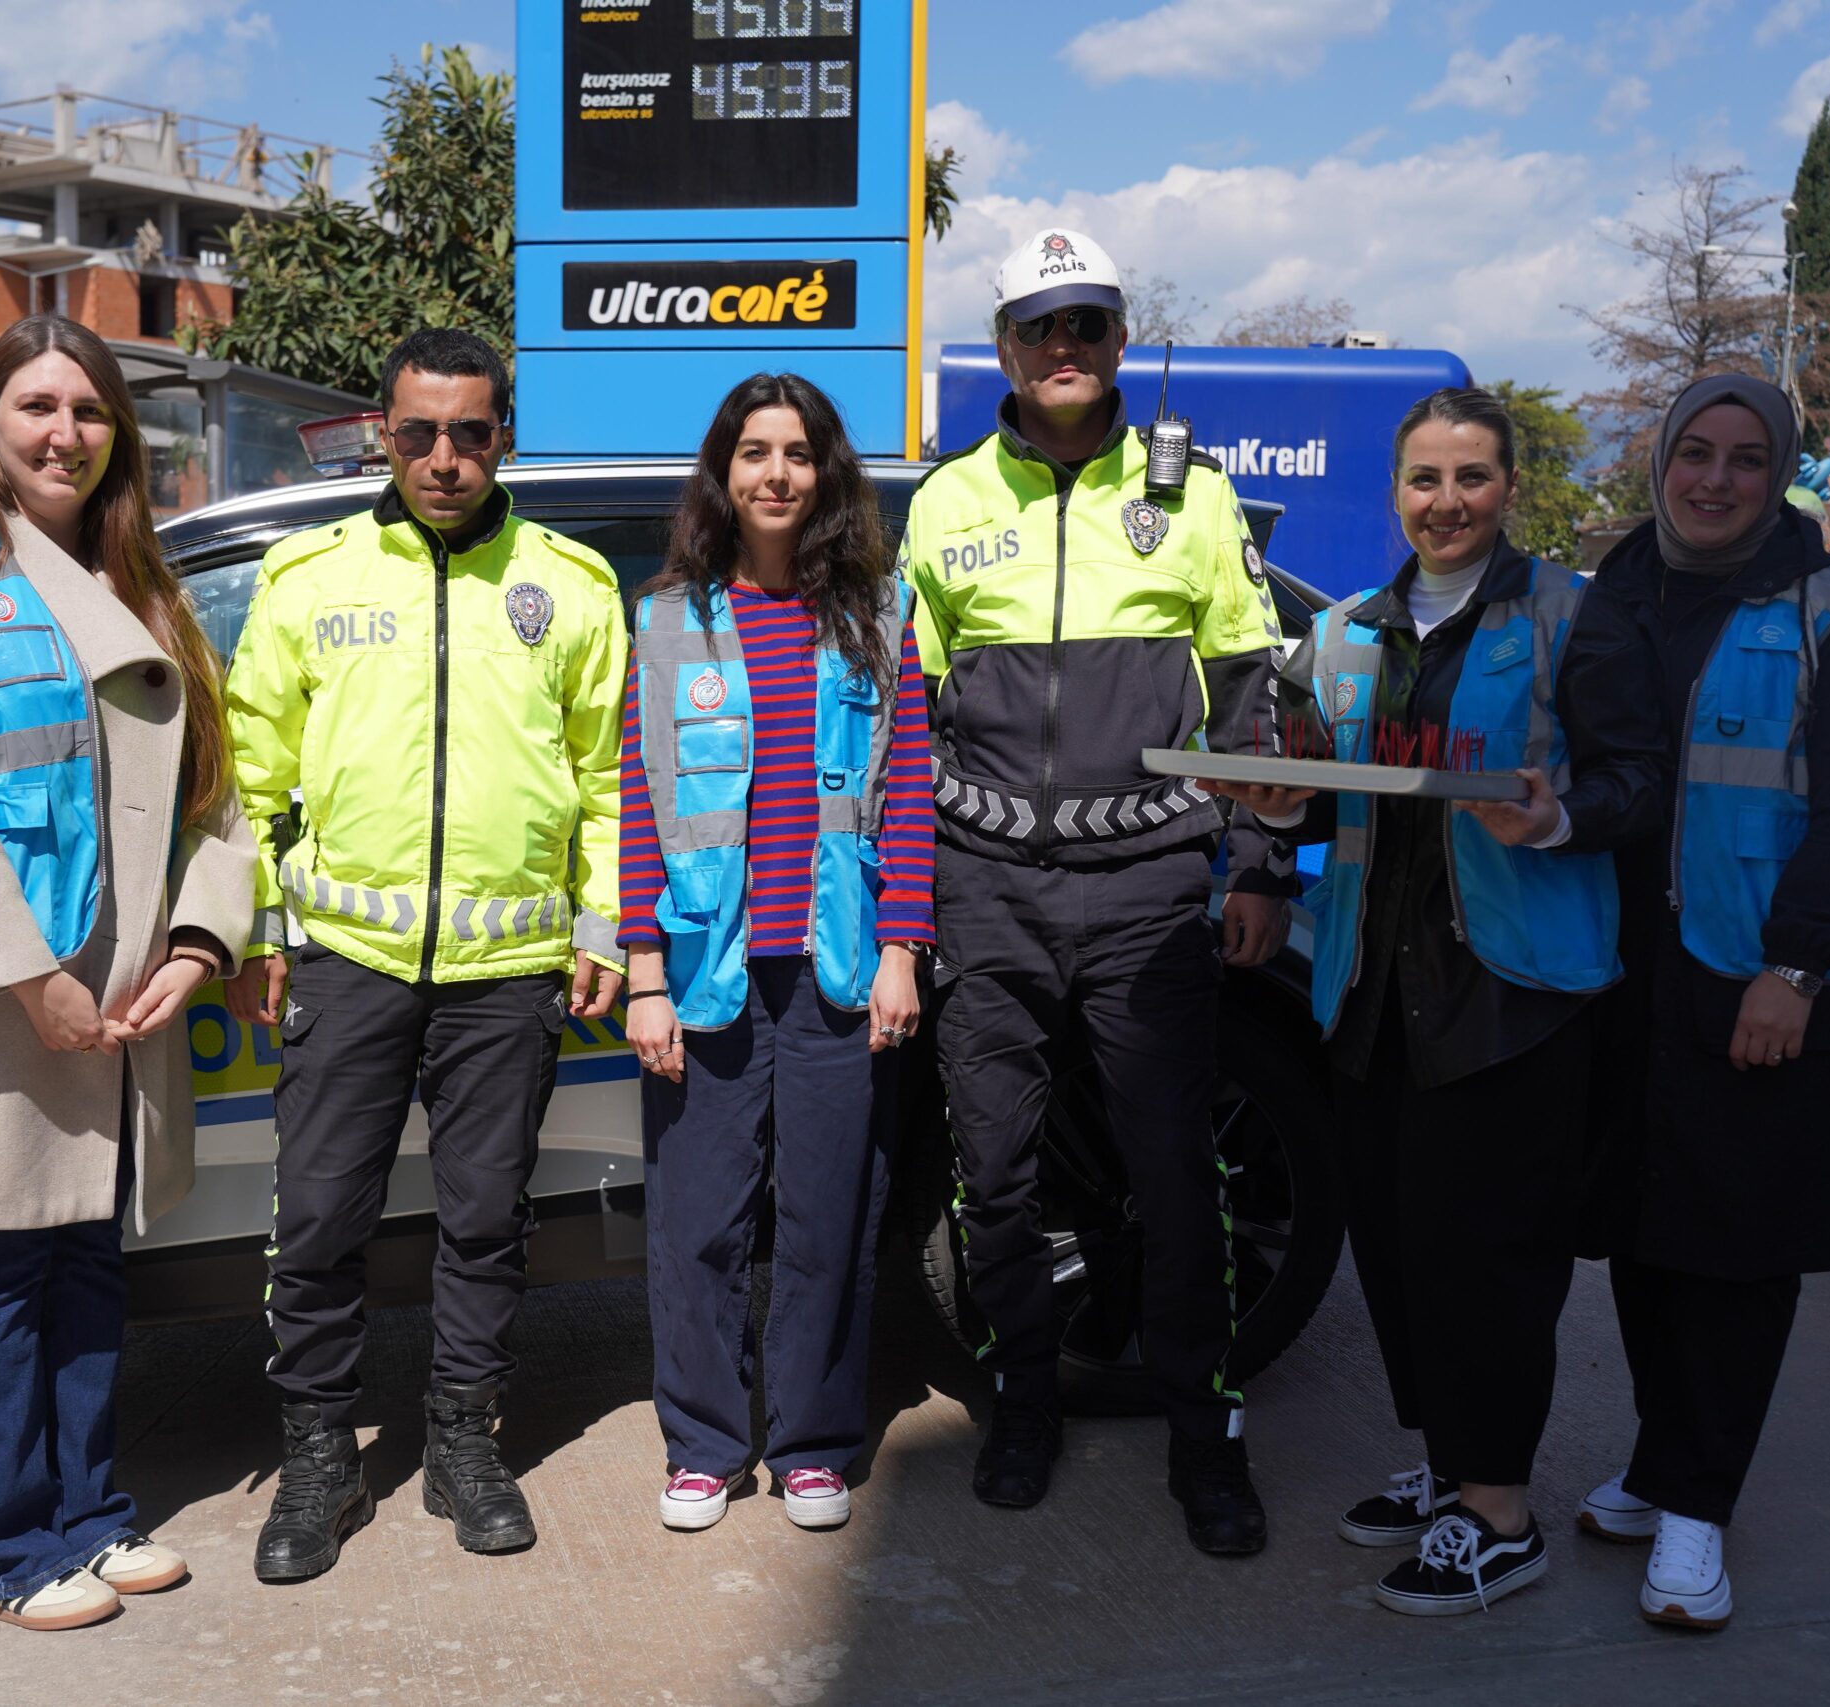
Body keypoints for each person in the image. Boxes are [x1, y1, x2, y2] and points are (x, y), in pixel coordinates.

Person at [1204, 387, 1664, 1615]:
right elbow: (1311, 777)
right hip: (1369, 986)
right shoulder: (1349, 629)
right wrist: (1278, 806)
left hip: (1513, 991)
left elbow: (1638, 782)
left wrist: (1561, 815)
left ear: (1508, 487)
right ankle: (1447, 1466)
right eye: (1424, 479)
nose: (1446, 502)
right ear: (1397, 492)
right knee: (1398, 1254)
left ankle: (1499, 1511)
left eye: (1470, 478)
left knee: (1490, 1260)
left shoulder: (1573, 617)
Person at [899, 228, 1296, 1551]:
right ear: (1005, 347)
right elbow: (910, 712)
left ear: (1120, 339)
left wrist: (1258, 862)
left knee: (1176, 1176)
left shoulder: (1195, 494)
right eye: (1036, 327)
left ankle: (1208, 1437)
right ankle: (1022, 1406)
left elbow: (1249, 693)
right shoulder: (946, 500)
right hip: (987, 886)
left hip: (1146, 887)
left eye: (1086, 324)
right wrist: (920, 894)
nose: (1062, 348)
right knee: (997, 1179)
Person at [0, 314, 254, 1632]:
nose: (60, 433)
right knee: (0, 1277)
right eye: (33, 405)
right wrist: (36, 984)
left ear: (116, 433)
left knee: (89, 1262)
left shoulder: (148, 583)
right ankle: (5, 1547)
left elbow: (217, 801)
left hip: (124, 994)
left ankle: (89, 1510)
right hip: (2, 1002)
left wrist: (199, 944)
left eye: (85, 410)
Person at [227, 327, 627, 1582]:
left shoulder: (570, 582)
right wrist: (254, 928)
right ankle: (318, 1458)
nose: (443, 458)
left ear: (504, 435)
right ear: (381, 435)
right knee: (322, 1219)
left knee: (485, 1221)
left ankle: (462, 1441)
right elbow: (250, 771)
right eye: (417, 434)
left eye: (467, 433)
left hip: (510, 971)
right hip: (346, 960)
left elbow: (612, 775)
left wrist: (606, 920)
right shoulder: (308, 578)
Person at [1578, 374, 1830, 1632]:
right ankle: (1663, 1466)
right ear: (1659, 461)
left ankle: (1699, 1513)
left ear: (1779, 479)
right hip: (1634, 978)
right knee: (1649, 1234)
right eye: (1695, 453)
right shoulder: (1615, 595)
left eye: (1746, 459)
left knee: (1737, 1253)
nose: (1714, 479)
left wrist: (1792, 969)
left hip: (1762, 978)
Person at [619, 374, 934, 1533]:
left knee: (826, 1218)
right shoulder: (665, 618)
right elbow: (638, 804)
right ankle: (703, 1442)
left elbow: (904, 798)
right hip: (705, 972)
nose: (776, 474)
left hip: (836, 968)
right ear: (723, 470)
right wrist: (642, 971)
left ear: (824, 472)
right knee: (696, 1221)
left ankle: (811, 1441)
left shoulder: (879, 614)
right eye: (754, 451)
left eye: (797, 453)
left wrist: (903, 947)